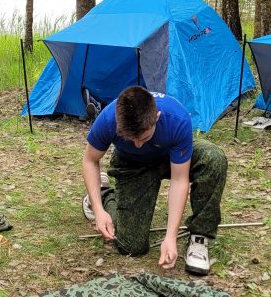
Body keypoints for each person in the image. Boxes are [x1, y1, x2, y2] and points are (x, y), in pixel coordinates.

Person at [81, 86, 227, 275]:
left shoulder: (177, 119)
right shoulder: (109, 119)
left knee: (213, 158)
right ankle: (103, 194)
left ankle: (199, 236)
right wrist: (99, 210)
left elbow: (179, 180)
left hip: (170, 157)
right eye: (131, 139)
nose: (138, 144)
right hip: (132, 164)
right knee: (131, 246)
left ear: (156, 117)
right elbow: (90, 160)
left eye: (144, 137)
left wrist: (170, 236)